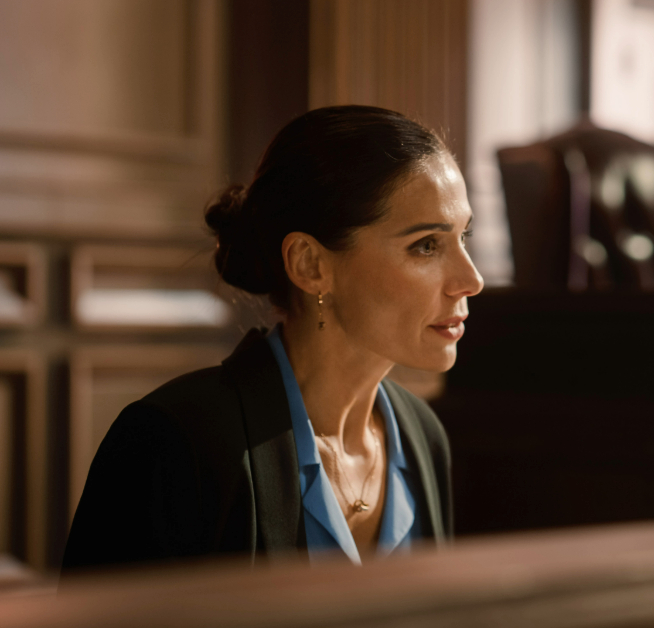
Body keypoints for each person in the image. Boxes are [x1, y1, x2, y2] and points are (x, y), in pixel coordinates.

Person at [61, 106, 484, 571]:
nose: (472, 278)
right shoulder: (173, 443)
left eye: (465, 236)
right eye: (426, 245)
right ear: (310, 265)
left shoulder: (424, 436)